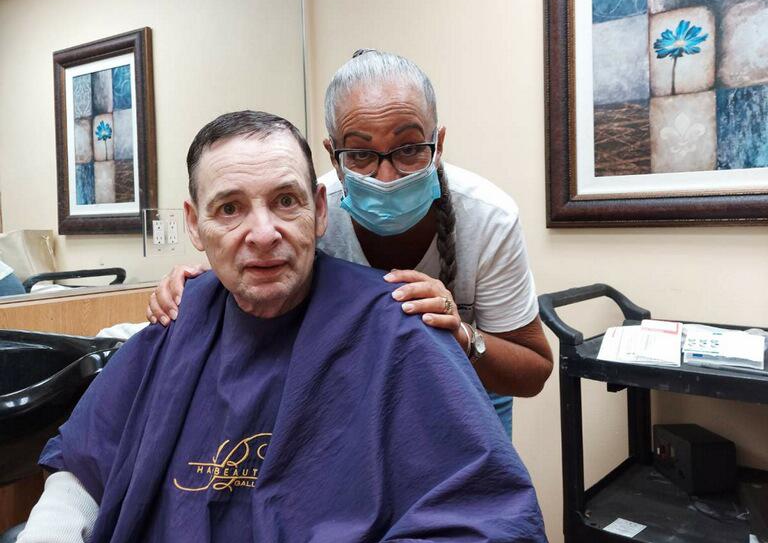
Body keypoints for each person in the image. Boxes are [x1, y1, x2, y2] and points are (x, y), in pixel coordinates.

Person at [0, 111, 568, 543]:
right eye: (229, 209)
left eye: (286, 201)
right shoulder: (171, 329)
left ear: (319, 211)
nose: (263, 233)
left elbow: (496, 534)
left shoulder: (400, 332)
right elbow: (86, 468)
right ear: (194, 225)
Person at [149, 50, 552, 435]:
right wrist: (198, 289)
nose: (387, 177)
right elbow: (255, 265)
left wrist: (462, 336)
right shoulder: (304, 213)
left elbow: (533, 370)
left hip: (467, 390)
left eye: (410, 149)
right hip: (353, 401)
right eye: (360, 154)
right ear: (333, 156)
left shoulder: (487, 216)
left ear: (438, 144)